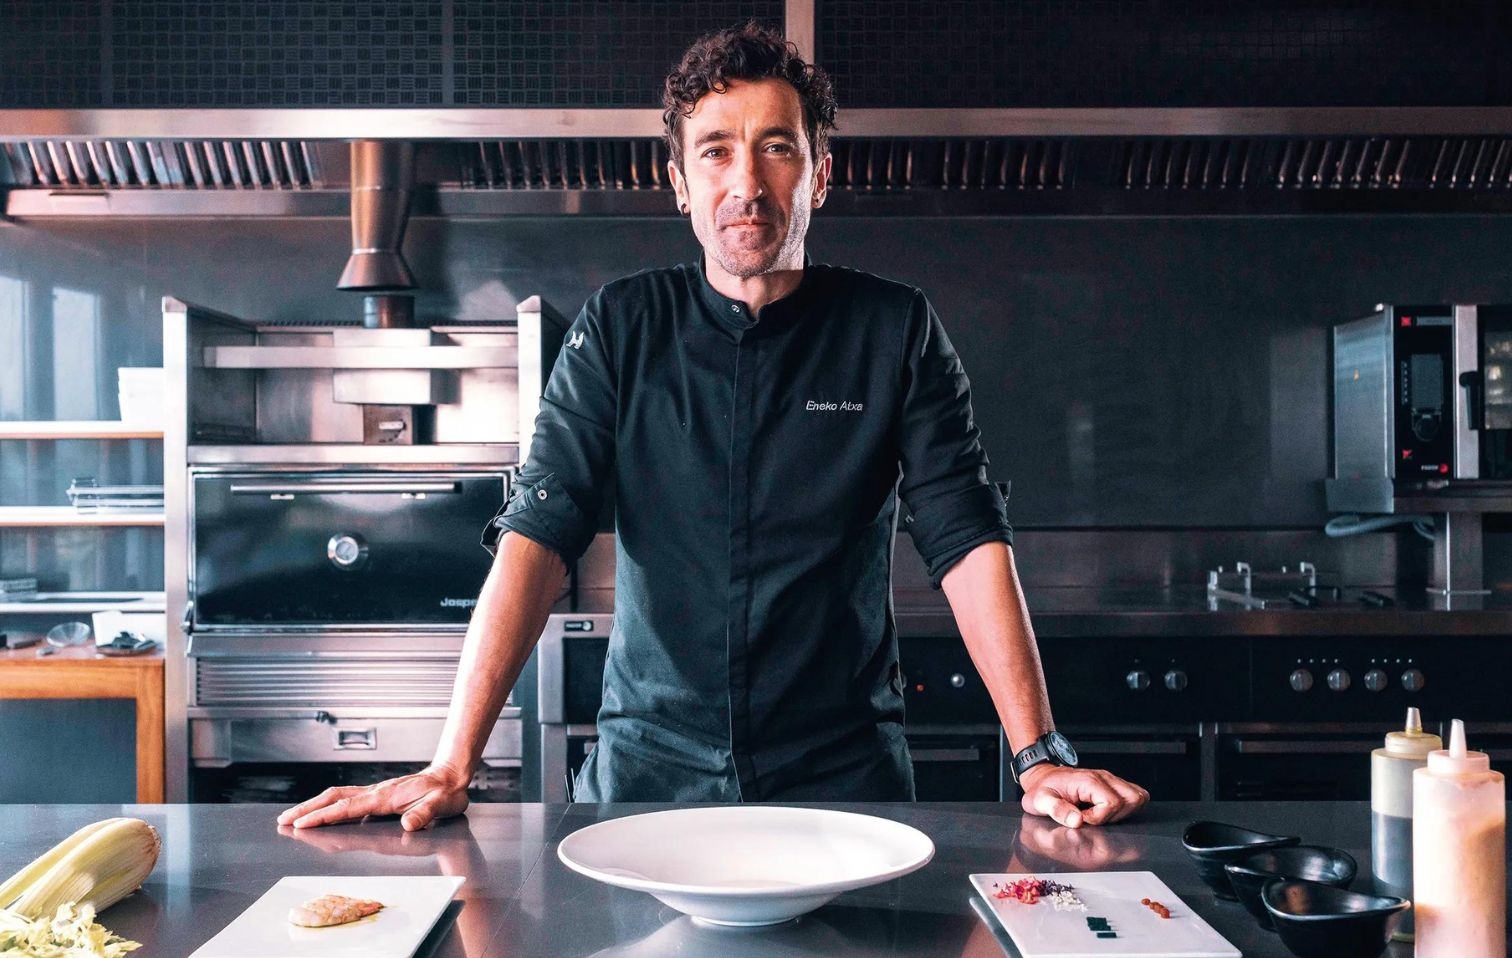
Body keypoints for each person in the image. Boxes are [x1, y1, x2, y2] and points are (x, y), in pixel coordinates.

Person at [279, 21, 1148, 831]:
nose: (747, 184)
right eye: (717, 150)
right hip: (647, 776)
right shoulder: (621, 327)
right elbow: (539, 532)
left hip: (841, 777)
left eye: (777, 147)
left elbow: (964, 534)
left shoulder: (894, 330)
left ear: (819, 174)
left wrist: (1038, 755)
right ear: (679, 182)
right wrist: (452, 761)